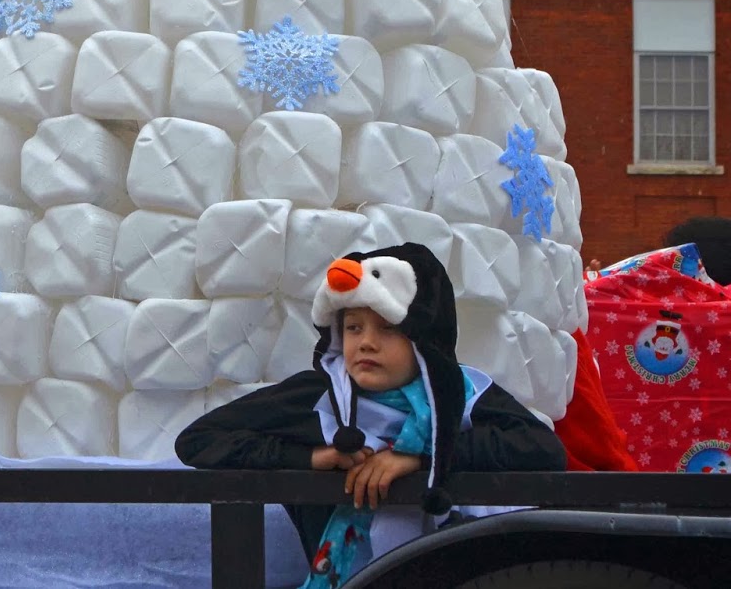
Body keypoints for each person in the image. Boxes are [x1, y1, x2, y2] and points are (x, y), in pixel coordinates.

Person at [175, 243, 565, 589]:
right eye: (353, 328)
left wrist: (420, 457)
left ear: (425, 336)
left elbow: (542, 449)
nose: (366, 343)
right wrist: (311, 458)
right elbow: (198, 440)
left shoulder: (463, 396)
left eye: (388, 328)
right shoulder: (319, 400)